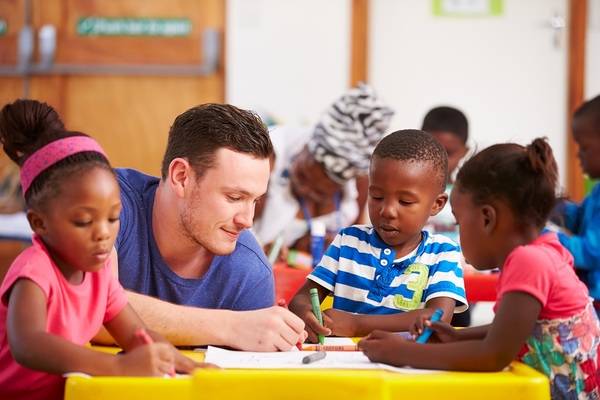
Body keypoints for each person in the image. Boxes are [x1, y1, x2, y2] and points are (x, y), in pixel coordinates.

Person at [358, 138, 600, 399]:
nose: (460, 235)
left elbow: (493, 355)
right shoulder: (545, 250)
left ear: (487, 218)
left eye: (460, 223)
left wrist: (401, 353)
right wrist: (457, 337)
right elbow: (516, 330)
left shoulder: (530, 261)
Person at [0, 99, 205, 400]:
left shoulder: (99, 274)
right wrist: (119, 367)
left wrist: (181, 362)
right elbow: (28, 344)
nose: (103, 233)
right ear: (39, 222)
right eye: (84, 221)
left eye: (113, 218)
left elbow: (137, 336)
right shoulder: (35, 271)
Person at [100, 102, 306, 351]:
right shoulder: (105, 200)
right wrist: (231, 327)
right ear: (181, 177)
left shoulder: (250, 271)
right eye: (234, 197)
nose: (248, 220)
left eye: (256, 200)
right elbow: (91, 309)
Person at [288, 130, 468, 342]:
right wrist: (307, 314)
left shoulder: (442, 253)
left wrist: (356, 325)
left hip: (406, 369)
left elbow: (437, 319)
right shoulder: (348, 242)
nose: (387, 211)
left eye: (405, 202)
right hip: (343, 364)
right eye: (377, 196)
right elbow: (301, 298)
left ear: (436, 204)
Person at [252, 83, 395, 265]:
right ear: (305, 148)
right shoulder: (267, 156)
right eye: (301, 175)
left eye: (319, 192)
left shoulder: (359, 184)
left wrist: (304, 245)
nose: (304, 190)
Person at [421, 105, 474, 327]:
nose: (440, 159)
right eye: (433, 150)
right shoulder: (407, 190)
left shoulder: (469, 195)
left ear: (465, 151)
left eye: (449, 153)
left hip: (458, 284)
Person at [550, 94, 600, 316]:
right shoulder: (597, 191)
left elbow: (591, 252)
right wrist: (545, 205)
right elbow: (579, 217)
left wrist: (542, 236)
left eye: (584, 147)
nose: (578, 155)